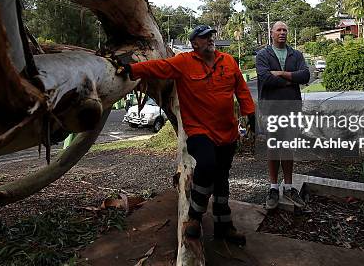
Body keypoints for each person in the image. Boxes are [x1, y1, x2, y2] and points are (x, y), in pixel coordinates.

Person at [118, 25, 255, 245]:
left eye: (211, 36)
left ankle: (224, 227)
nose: (210, 39)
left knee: (221, 180)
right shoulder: (183, 63)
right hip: (199, 131)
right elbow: (157, 66)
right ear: (194, 44)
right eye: (204, 37)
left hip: (227, 132)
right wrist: (131, 69)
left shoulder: (228, 61)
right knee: (207, 165)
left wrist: (250, 113)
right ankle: (194, 217)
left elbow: (241, 89)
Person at [256, 21, 310, 210]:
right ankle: (272, 187)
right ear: (271, 33)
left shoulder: (296, 54)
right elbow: (265, 78)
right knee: (273, 147)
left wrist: (280, 73)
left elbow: (305, 76)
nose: (282, 32)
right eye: (278, 29)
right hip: (270, 108)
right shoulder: (263, 55)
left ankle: (288, 186)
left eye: (285, 29)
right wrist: (290, 79)